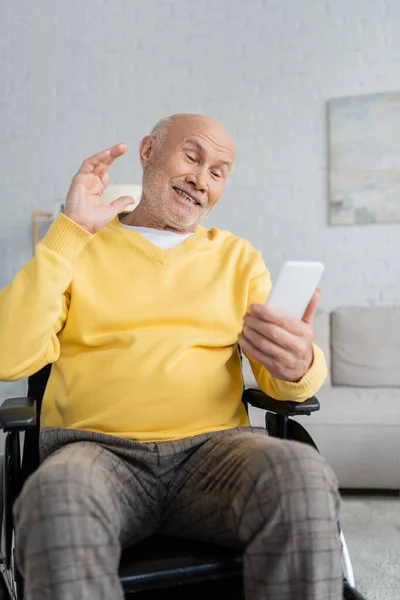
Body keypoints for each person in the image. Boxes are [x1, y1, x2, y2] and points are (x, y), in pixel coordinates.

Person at [0, 114, 342, 600]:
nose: (202, 179)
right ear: (147, 152)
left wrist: (301, 364)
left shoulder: (238, 259)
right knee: (54, 499)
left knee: (300, 475)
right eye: (192, 156)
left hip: (214, 456)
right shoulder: (77, 247)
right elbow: (7, 358)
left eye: (218, 172)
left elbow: (285, 380)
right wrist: (69, 230)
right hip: (97, 455)